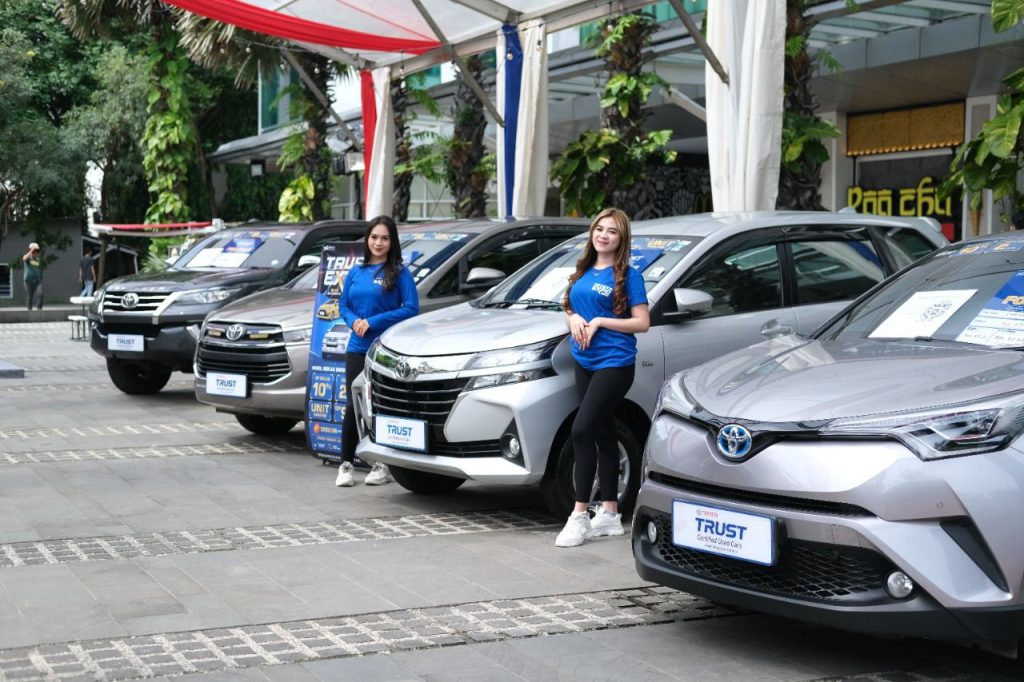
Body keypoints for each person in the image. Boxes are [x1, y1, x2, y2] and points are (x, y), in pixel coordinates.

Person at [556, 207, 650, 548]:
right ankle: (610, 513)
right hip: (584, 361)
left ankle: (579, 514)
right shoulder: (583, 269)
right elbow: (569, 307)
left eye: (611, 231)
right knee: (602, 433)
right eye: (599, 228)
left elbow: (642, 322)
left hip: (615, 362)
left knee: (581, 430)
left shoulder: (629, 276)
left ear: (621, 238)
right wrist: (573, 318)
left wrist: (600, 322)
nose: (603, 235)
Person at [335, 216, 419, 487]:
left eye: (384, 238)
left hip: (385, 350)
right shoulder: (356, 272)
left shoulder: (400, 273)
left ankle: (382, 465)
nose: (378, 243)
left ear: (392, 241)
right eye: (374, 237)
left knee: (381, 405)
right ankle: (346, 464)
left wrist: (372, 322)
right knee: (353, 404)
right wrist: (354, 322)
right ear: (367, 239)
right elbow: (343, 305)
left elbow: (411, 308)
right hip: (357, 347)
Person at [22, 242, 43, 311]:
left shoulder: (38, 260)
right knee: (30, 297)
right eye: (34, 251)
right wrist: (31, 250)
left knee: (40, 293)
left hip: (37, 281)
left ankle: (39, 310)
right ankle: (29, 311)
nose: (36, 253)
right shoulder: (28, 258)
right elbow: (24, 259)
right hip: (28, 281)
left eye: (37, 251)